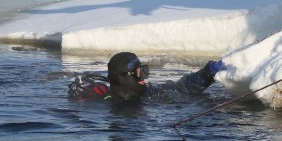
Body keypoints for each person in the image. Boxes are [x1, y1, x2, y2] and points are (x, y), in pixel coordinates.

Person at [67, 51, 226, 102]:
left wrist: (206, 74)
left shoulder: (151, 93)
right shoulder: (102, 103)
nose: (144, 76)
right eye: (138, 72)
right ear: (124, 77)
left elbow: (182, 88)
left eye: (144, 70)